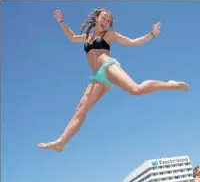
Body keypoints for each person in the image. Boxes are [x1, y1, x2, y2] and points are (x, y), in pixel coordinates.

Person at [38, 8, 189, 152]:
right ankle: (61, 142)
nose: (105, 21)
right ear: (96, 18)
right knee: (80, 110)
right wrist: (61, 21)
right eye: (103, 18)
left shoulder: (109, 35)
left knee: (136, 90)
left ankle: (170, 84)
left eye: (108, 20)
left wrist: (152, 34)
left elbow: (132, 42)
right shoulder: (87, 37)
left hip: (108, 66)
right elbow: (71, 37)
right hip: (98, 77)